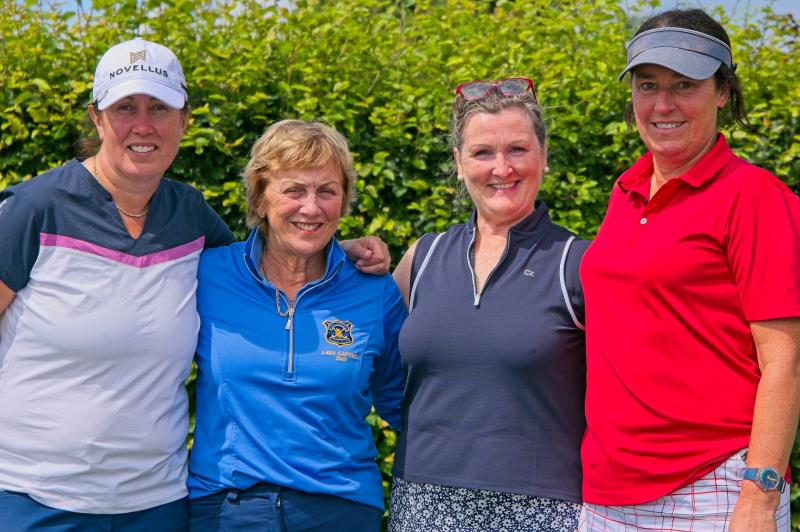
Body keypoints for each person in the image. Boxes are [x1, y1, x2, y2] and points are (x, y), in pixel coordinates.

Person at [0, 39, 387, 530]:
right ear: (97, 119)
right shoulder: (33, 210)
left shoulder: (191, 217)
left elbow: (267, 262)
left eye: (160, 107)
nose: (143, 125)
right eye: (125, 107)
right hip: (34, 500)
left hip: (156, 504)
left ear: (183, 121)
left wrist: (341, 249)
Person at [578, 9, 800, 532]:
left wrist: (759, 498)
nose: (662, 105)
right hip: (606, 493)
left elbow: (784, 362)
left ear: (723, 91)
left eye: (685, 85)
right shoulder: (625, 191)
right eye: (647, 84)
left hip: (713, 488)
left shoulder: (756, 198)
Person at [388, 78, 588, 531]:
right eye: (482, 153)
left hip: (543, 511)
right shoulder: (423, 256)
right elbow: (354, 341)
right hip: (421, 504)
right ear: (458, 163)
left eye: (518, 148)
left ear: (544, 157)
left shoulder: (578, 263)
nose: (502, 168)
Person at [187, 119, 406, 532]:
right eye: (294, 190)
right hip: (226, 511)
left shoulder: (373, 292)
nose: (311, 207)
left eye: (327, 191)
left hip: (341, 509)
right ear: (261, 198)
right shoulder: (208, 275)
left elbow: (406, 408)